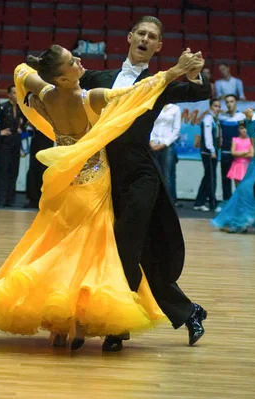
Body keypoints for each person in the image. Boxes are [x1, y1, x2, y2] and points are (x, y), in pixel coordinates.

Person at [0, 44, 203, 351]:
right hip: (96, 182)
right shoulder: (91, 92)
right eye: (72, 61)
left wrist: (36, 72)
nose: (80, 61)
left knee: (63, 247)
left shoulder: (47, 93)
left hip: (74, 181)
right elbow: (132, 94)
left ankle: (64, 325)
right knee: (96, 252)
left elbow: (21, 72)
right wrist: (173, 71)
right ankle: (88, 323)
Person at [78, 16, 210, 351]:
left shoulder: (159, 83)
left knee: (124, 248)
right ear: (130, 37)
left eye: (153, 37)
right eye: (141, 33)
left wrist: (192, 72)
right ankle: (188, 310)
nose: (146, 39)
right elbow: (67, 89)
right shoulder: (100, 77)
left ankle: (117, 329)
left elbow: (197, 90)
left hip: (141, 176)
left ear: (158, 46)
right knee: (141, 253)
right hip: (105, 178)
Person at [194, 99, 221, 212]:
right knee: (210, 177)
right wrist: (212, 150)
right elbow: (208, 137)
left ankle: (199, 202)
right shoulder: (208, 119)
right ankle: (212, 203)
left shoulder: (215, 119)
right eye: (215, 106)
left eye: (219, 106)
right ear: (210, 107)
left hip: (211, 151)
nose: (217, 108)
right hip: (208, 152)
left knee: (208, 177)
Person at [150, 103, 181, 203]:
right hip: (153, 143)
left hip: (167, 145)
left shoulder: (175, 108)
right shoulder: (154, 105)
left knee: (167, 174)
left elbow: (176, 131)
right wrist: (150, 141)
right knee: (153, 173)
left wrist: (164, 144)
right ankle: (155, 200)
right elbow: (149, 124)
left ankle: (167, 202)